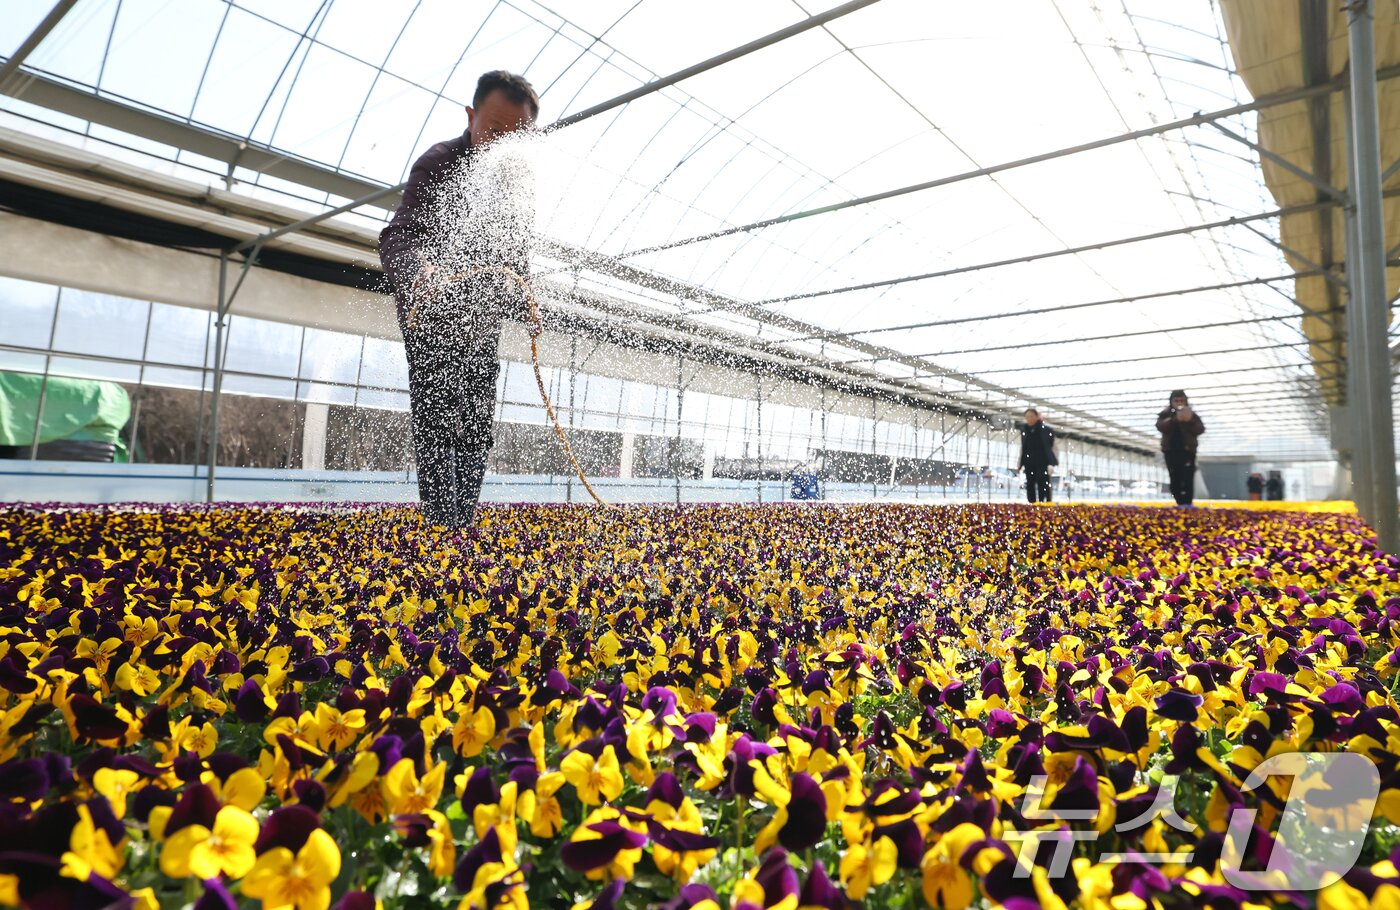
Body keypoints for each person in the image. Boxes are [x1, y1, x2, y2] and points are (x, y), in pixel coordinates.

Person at [379, 71, 540, 528]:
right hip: (430, 315)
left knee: (475, 426)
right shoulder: (440, 161)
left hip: (481, 322)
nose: (500, 147)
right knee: (436, 423)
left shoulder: (516, 183)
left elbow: (512, 255)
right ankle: (439, 524)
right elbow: (399, 235)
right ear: (470, 117)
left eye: (515, 138)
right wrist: (420, 273)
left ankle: (461, 520)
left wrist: (525, 298)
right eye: (492, 131)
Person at [1156, 390, 1204, 506]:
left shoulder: (1192, 415)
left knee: (1187, 477)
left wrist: (1190, 420)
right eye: (1176, 401)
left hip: (1187, 451)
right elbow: (1161, 426)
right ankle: (1179, 502)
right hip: (1170, 451)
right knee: (1174, 477)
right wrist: (1173, 419)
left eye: (1182, 400)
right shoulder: (1165, 414)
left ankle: (1187, 503)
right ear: (1171, 402)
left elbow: (1200, 429)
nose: (1179, 403)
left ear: (1186, 401)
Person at [1015, 407, 1057, 503]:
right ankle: (1032, 502)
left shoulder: (1046, 430)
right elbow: (1023, 447)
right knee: (1030, 482)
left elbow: (1051, 447)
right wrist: (1020, 463)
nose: (1029, 419)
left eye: (1031, 416)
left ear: (1037, 417)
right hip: (1028, 461)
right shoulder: (1024, 430)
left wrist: (1051, 462)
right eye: (1027, 417)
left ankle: (1044, 502)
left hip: (1042, 461)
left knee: (1042, 481)